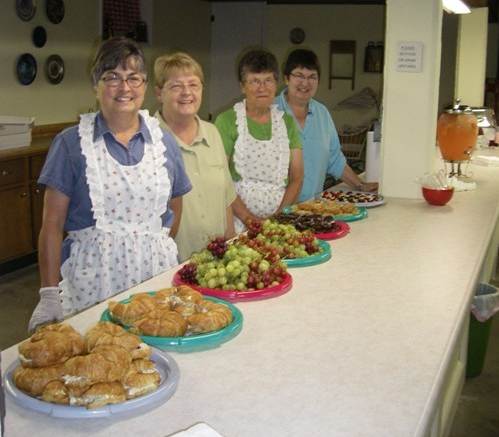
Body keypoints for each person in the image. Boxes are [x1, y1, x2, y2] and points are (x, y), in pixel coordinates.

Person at [28, 37, 192, 332]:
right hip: (93, 281)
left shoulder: (163, 141)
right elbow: (52, 225)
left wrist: (151, 243)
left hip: (153, 275)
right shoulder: (70, 144)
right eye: (112, 77)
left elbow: (174, 206)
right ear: (96, 84)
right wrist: (49, 293)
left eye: (133, 78)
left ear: (144, 85)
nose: (124, 88)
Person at [153, 52, 236, 261]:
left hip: (216, 262)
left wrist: (231, 246)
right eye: (176, 86)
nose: (186, 92)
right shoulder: (148, 141)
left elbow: (225, 198)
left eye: (193, 85)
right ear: (158, 93)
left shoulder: (213, 133)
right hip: (170, 266)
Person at [215, 49, 304, 231]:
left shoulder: (287, 123)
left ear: (276, 83)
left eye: (268, 81)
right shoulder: (227, 121)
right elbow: (220, 179)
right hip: (237, 222)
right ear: (242, 86)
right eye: (255, 81)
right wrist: (249, 219)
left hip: (279, 222)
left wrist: (278, 216)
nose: (262, 88)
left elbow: (297, 177)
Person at [276, 49, 377, 202]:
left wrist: (360, 186)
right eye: (299, 76)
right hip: (274, 209)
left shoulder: (322, 113)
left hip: (311, 208)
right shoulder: (269, 111)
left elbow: (334, 159)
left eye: (312, 77)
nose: (305, 83)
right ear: (286, 78)